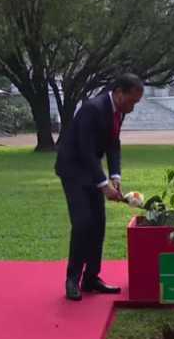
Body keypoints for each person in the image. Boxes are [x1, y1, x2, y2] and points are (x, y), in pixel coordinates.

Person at [54, 73, 144, 301]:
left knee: (99, 224)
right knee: (83, 223)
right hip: (73, 170)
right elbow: (85, 150)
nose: (133, 107)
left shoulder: (118, 112)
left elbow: (113, 144)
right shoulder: (92, 109)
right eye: (132, 101)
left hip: (91, 169)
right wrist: (104, 185)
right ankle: (72, 279)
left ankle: (91, 278)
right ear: (119, 92)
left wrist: (115, 176)